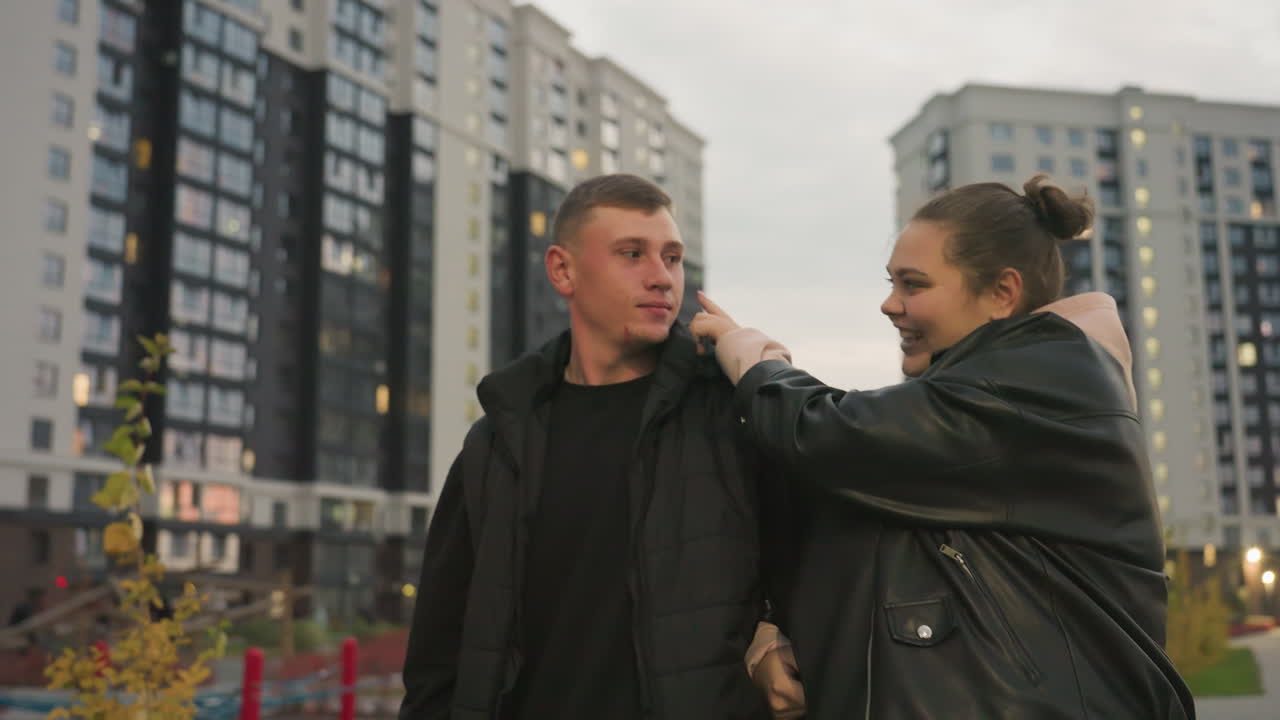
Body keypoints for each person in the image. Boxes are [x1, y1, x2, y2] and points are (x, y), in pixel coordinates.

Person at [694, 175, 1196, 719]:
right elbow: (854, 526)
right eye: (891, 282)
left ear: (1003, 293)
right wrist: (776, 633)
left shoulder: (1040, 387)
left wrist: (750, 355)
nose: (890, 304)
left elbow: (828, 435)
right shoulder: (980, 408)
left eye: (914, 285)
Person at [400, 174, 769, 720]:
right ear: (562, 270)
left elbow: (817, 570)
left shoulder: (732, 413)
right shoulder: (497, 444)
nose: (662, 278)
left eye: (672, 258)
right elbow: (440, 647)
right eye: (632, 254)